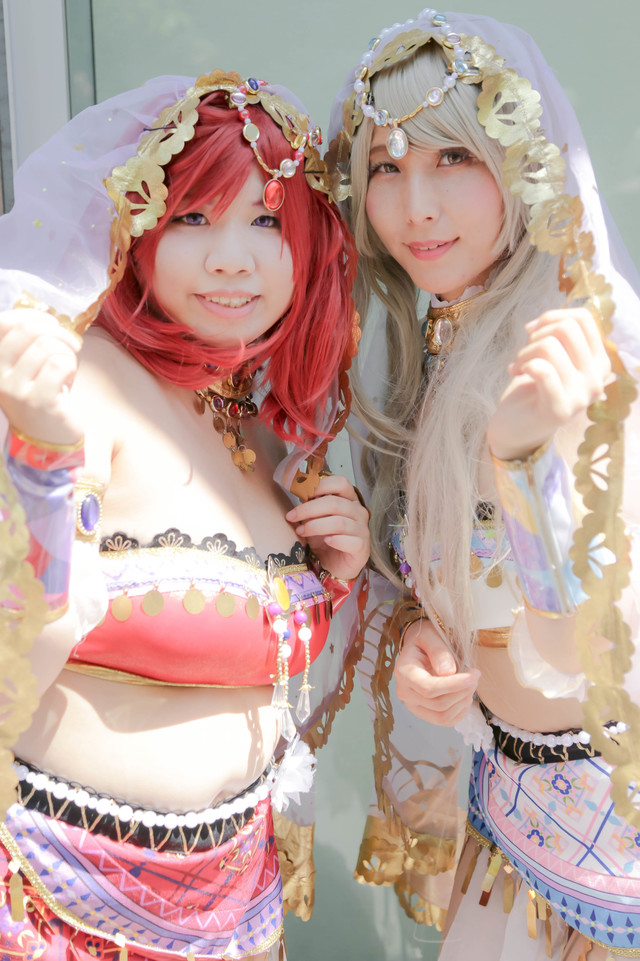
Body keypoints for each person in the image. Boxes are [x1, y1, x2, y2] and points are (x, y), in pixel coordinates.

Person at [0, 70, 369, 960]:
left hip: (239, 913)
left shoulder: (259, 423)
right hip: (56, 909)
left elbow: (264, 674)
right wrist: (40, 458)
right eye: (194, 217)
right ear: (137, 229)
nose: (232, 258)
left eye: (267, 221)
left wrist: (339, 572)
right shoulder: (73, 383)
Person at [327, 9, 640, 960]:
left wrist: (528, 461)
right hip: (511, 831)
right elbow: (469, 585)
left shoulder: (574, 351)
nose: (414, 206)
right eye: (386, 167)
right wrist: (423, 637)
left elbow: (588, 652)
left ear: (524, 162)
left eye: (452, 158)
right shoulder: (440, 337)